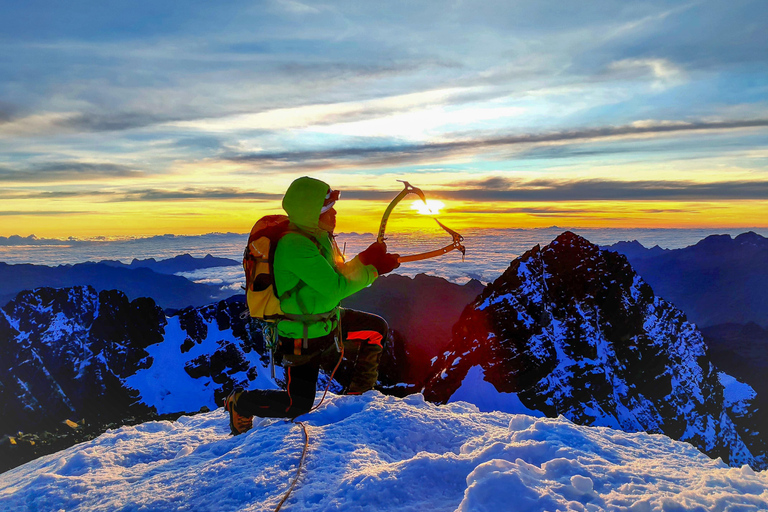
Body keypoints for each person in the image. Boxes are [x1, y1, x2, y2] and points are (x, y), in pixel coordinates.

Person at [225, 176, 400, 434]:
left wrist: (365, 259)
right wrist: (374, 270)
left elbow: (336, 273)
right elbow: (336, 288)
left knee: (376, 330)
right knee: (296, 405)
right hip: (300, 335)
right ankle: (240, 403)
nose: (335, 212)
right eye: (328, 208)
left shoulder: (317, 237)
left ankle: (357, 399)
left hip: (325, 321)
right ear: (311, 213)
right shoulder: (294, 246)